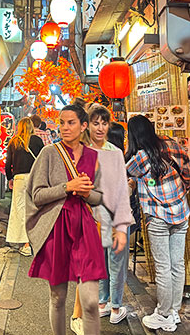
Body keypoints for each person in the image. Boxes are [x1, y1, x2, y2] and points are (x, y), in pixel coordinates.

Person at [26, 104, 105, 335]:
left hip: (84, 228)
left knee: (90, 301)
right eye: (61, 122)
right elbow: (37, 195)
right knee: (58, 297)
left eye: (71, 123)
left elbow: (99, 196)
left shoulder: (93, 156)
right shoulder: (49, 153)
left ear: (83, 126)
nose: (64, 127)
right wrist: (67, 187)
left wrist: (85, 193)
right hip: (56, 228)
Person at [125, 115, 190, 332]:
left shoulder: (140, 158)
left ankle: (163, 314)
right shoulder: (173, 144)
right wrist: (181, 193)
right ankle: (174, 312)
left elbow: (126, 171)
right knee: (177, 264)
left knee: (163, 267)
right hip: (181, 212)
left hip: (158, 217)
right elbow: (189, 174)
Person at [70, 106, 134, 334]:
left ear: (108, 126)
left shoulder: (114, 152)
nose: (100, 127)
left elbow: (119, 188)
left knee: (111, 263)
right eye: (95, 123)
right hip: (93, 217)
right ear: (88, 125)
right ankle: (109, 305)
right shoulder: (81, 151)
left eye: (104, 123)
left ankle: (110, 304)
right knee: (105, 264)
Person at [5, 117, 44, 256]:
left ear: (19, 127)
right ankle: (31, 242)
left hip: (19, 178)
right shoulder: (38, 141)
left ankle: (21, 242)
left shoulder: (14, 142)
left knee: (19, 208)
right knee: (34, 208)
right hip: (34, 178)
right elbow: (43, 161)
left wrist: (10, 178)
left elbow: (7, 163)